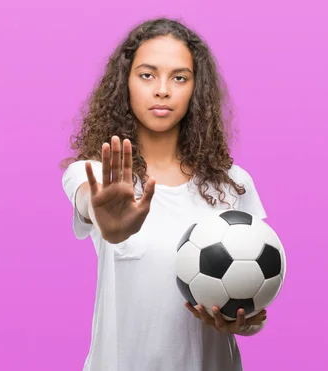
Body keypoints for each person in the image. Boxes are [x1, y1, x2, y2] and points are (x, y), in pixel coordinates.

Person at [60, 17, 270, 371]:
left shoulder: (233, 183)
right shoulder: (98, 176)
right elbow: (87, 200)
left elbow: (256, 295)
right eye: (147, 74)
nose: (162, 90)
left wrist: (246, 322)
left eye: (179, 77)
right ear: (124, 83)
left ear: (195, 89)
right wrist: (103, 218)